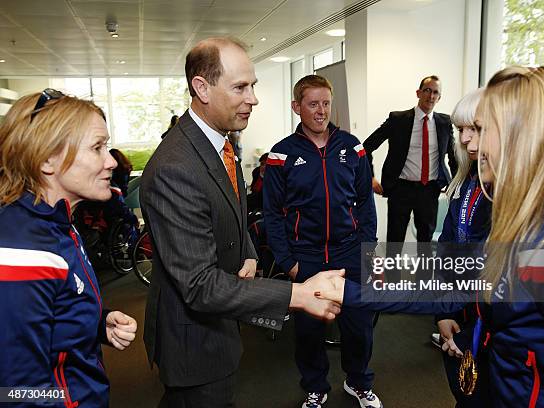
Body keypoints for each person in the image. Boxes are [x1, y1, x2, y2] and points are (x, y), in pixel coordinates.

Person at [318, 66, 544, 407]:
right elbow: (456, 278)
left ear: (528, 138)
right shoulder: (520, 219)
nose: (471, 142)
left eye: (484, 128)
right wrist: (350, 284)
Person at [139, 37, 343, 407]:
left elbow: (234, 210)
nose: (253, 98)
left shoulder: (220, 146)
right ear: (201, 88)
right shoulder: (176, 167)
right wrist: (300, 295)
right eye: (240, 87)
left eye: (254, 86)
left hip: (219, 327)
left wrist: (248, 253)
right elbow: (199, 285)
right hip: (193, 344)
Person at [0, 89, 138, 407]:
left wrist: (97, 323)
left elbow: (52, 312)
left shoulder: (58, 221)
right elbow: (17, 393)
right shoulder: (25, 251)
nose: (111, 161)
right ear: (48, 159)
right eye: (97, 148)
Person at [264, 75, 380, 408]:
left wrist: (366, 247)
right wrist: (289, 262)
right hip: (308, 257)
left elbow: (365, 202)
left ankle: (359, 382)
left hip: (349, 253)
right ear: (296, 107)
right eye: (312, 104)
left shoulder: (352, 147)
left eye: (326, 103)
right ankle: (316, 387)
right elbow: (273, 213)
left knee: (359, 328)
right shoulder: (281, 155)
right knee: (309, 333)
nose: (321, 111)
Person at [434, 88, 492, 408]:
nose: (467, 141)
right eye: (461, 131)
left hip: (487, 326)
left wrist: (472, 333)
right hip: (459, 313)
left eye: (477, 129)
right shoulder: (465, 182)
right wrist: (443, 312)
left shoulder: (508, 193)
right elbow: (446, 249)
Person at [363, 75, 457, 244]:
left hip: (430, 191)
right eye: (427, 90)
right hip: (401, 190)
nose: (431, 96)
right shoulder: (398, 120)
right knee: (395, 242)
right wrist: (370, 177)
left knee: (425, 244)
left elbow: (453, 157)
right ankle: (393, 272)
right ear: (418, 93)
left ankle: (424, 272)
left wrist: (457, 186)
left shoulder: (445, 122)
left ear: (439, 97)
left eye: (436, 92)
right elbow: (367, 146)